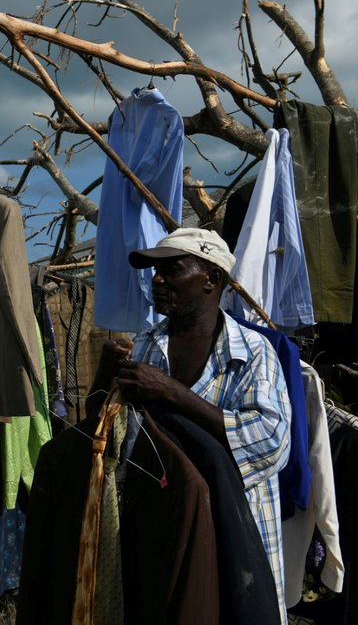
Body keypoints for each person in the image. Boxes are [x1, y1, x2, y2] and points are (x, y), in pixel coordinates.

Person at [87, 227, 292, 621]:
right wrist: (104, 377)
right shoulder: (146, 345)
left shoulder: (252, 354)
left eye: (171, 270)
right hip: (160, 527)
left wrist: (174, 393)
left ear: (211, 279)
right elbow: (101, 433)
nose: (158, 281)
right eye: (155, 272)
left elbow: (272, 442)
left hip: (231, 533)